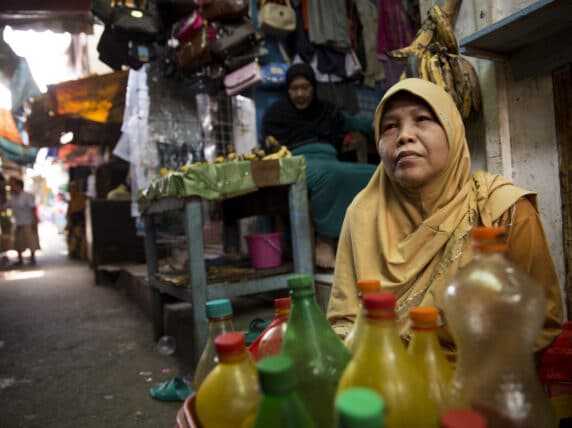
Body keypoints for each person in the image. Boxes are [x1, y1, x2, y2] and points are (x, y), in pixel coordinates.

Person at [326, 78, 563, 355]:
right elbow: (344, 321)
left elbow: (540, 320)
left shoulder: (502, 211)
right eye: (390, 126)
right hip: (383, 378)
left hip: (475, 383)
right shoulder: (362, 214)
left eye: (422, 119)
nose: (404, 135)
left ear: (452, 131)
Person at [261, 63, 377, 268]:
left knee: (375, 173)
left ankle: (365, 242)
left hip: (330, 160)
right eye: (294, 88)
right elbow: (270, 147)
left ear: (313, 87)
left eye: (305, 87)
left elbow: (356, 123)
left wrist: (385, 121)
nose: (300, 93)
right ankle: (325, 240)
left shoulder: (327, 111)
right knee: (329, 175)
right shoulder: (276, 114)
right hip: (298, 163)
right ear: (288, 90)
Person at [2, 177, 40, 265]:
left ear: (18, 185)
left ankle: (32, 258)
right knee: (18, 242)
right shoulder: (12, 198)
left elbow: (33, 208)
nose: (11, 187)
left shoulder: (27, 196)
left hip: (28, 221)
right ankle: (20, 259)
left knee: (31, 241)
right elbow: (4, 207)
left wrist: (34, 221)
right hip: (18, 222)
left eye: (12, 185)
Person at [66, 181, 87, 259]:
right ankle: (74, 252)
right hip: (74, 223)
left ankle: (82, 253)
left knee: (80, 235)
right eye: (70, 190)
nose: (71, 191)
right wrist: (69, 224)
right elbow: (69, 214)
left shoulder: (82, 198)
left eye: (72, 189)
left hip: (81, 222)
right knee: (72, 237)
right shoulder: (71, 201)